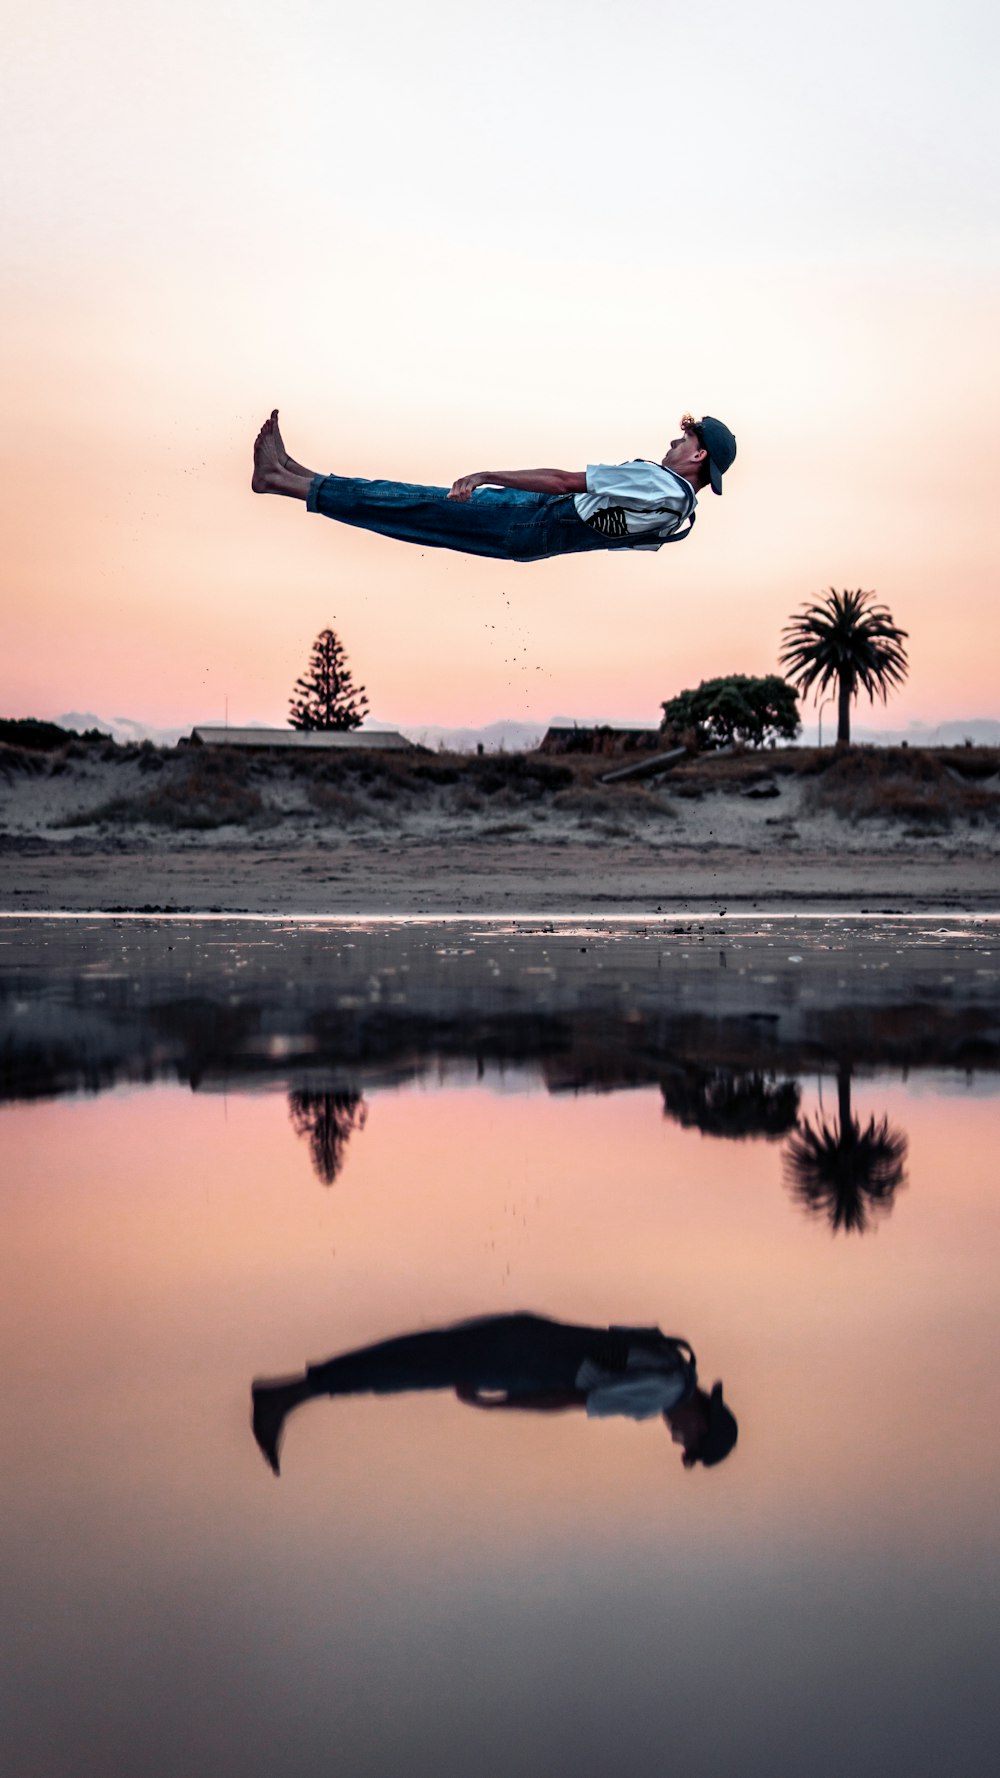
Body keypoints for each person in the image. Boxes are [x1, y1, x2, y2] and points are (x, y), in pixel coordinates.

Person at [250, 1310, 738, 1477]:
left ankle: (290, 1392)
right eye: (689, 1442)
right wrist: (495, 1403)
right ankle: (287, 1395)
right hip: (526, 1363)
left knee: (417, 1356)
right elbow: (570, 1399)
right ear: (702, 1424)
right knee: (407, 1368)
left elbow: (605, 1340)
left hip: (529, 1335)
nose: (677, 1441)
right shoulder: (662, 1393)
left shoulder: (675, 1360)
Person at [251, 409, 736, 563]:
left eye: (685, 437)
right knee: (411, 514)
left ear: (698, 455)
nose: (673, 440)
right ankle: (292, 475)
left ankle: (284, 479)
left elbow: (565, 481)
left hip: (533, 515)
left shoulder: (659, 481)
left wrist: (487, 475)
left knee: (409, 503)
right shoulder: (679, 517)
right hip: (536, 535)